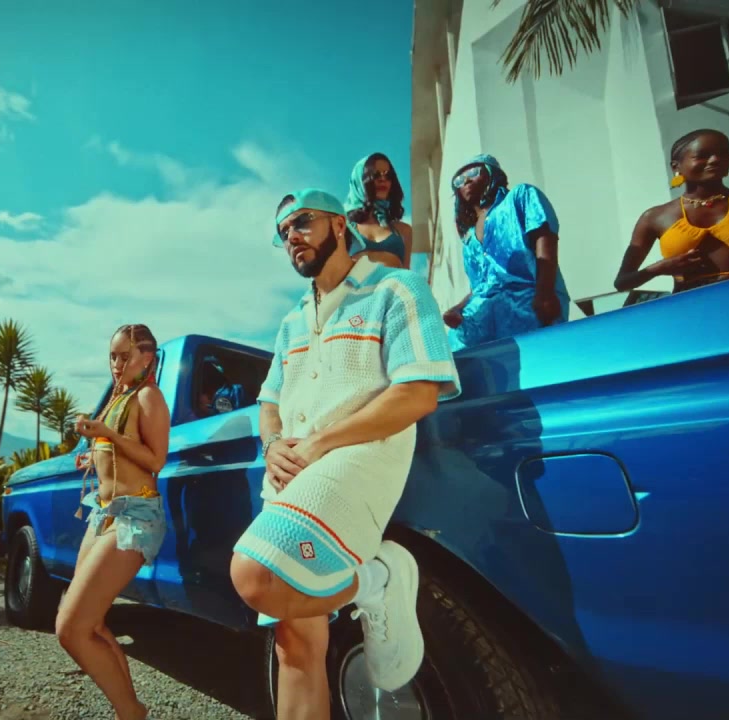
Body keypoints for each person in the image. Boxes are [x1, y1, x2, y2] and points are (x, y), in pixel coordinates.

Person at [234, 188, 461, 718]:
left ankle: (377, 580)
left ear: (339, 225)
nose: (292, 236)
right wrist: (272, 445)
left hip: (359, 463)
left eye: (302, 222)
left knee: (256, 575)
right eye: (283, 232)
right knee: (295, 644)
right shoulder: (290, 321)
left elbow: (419, 393)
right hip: (291, 477)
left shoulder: (395, 287)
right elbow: (268, 403)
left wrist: (318, 443)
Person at [57, 324, 171, 720]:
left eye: (125, 356)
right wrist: (93, 455)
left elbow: (156, 460)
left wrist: (107, 434)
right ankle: (130, 713)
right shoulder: (118, 399)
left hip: (135, 516)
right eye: (113, 356)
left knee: (71, 628)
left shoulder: (148, 396)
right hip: (104, 513)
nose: (117, 364)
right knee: (90, 623)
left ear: (146, 358)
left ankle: (131, 712)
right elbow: (120, 453)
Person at [614, 128, 729, 294]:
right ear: (676, 166)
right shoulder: (655, 217)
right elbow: (622, 282)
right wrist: (659, 268)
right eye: (702, 155)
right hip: (691, 306)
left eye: (723, 153)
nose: (715, 159)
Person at [441, 154, 571, 351]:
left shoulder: (520, 196)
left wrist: (545, 293)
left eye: (473, 172)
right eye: (459, 180)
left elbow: (544, 236)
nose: (466, 181)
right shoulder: (468, 238)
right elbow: (479, 285)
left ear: (491, 173)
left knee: (535, 360)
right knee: (453, 354)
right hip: (483, 315)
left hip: (527, 301)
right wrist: (458, 308)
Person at [344, 153, 413, 269]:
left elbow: (406, 273)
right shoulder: (344, 229)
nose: (382, 179)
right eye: (375, 175)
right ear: (359, 181)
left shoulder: (404, 231)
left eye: (388, 175)